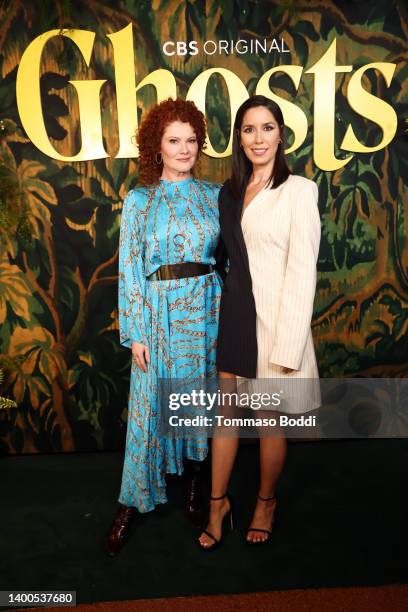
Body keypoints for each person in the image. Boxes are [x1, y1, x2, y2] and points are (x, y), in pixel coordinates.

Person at [198, 95, 321, 550]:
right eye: (249, 130)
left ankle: (265, 502)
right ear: (239, 138)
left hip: (275, 325)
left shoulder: (299, 190)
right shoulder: (229, 193)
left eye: (267, 128)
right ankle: (217, 504)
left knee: (269, 419)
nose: (258, 138)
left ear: (281, 134)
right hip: (235, 318)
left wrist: (288, 348)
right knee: (225, 415)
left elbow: (303, 269)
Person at [106, 98, 222, 555]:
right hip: (156, 314)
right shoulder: (139, 200)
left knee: (196, 400)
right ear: (157, 146)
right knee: (150, 407)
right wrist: (135, 331)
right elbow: (130, 266)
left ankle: (195, 482)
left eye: (191, 140)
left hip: (207, 311)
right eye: (174, 141)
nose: (184, 149)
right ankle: (131, 503)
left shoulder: (215, 195)